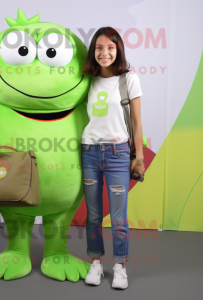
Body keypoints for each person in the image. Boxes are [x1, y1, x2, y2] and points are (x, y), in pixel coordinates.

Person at [81, 27, 145, 289]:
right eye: (99, 48)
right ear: (93, 51)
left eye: (110, 47)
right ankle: (95, 262)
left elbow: (137, 122)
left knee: (118, 217)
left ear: (118, 50)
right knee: (94, 215)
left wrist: (138, 156)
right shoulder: (87, 80)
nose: (104, 53)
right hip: (89, 153)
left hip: (118, 154)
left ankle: (119, 266)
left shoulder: (129, 79)